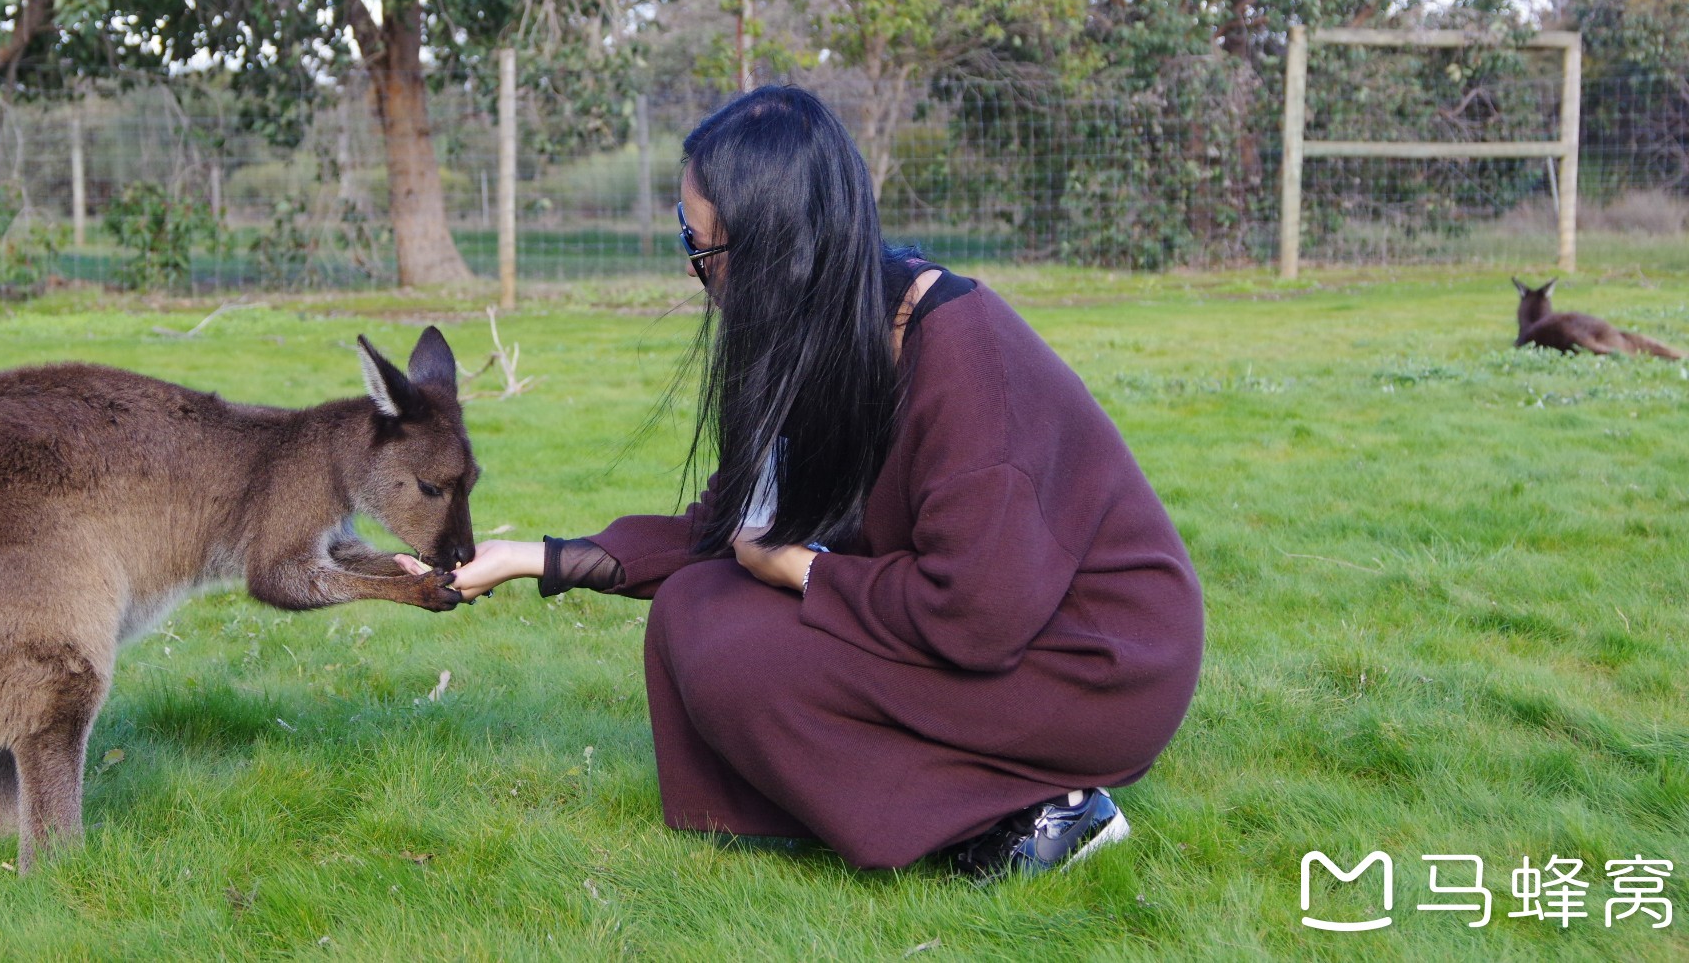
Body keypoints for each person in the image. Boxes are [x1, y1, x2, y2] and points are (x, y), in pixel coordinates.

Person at [431, 86, 1204, 880]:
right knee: (698, 614)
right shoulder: (814, 335)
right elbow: (728, 527)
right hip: (971, 619)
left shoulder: (967, 360)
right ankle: (973, 804)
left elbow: (977, 614)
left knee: (744, 652)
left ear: (775, 253)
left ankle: (1049, 814)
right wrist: (532, 556)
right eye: (684, 235)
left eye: (703, 250)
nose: (694, 270)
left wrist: (802, 569)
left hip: (1086, 657)